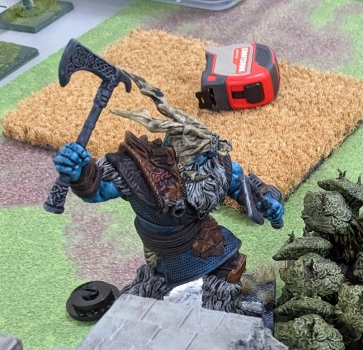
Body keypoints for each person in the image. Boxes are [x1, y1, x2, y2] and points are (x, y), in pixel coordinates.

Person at [54, 71, 283, 313]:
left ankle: (223, 312)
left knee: (231, 268)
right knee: (158, 278)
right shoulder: (141, 173)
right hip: (163, 246)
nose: (208, 160)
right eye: (198, 155)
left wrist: (266, 200)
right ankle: (147, 299)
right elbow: (98, 190)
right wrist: (80, 173)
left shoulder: (214, 164)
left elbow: (242, 186)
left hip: (202, 236)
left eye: (207, 153)